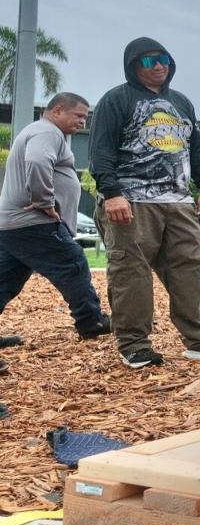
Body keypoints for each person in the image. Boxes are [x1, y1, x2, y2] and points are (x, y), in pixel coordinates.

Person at [89, 37, 200, 369]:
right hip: (131, 201)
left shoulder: (181, 102)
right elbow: (100, 150)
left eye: (163, 59)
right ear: (133, 67)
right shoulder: (116, 100)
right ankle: (134, 344)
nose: (157, 65)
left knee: (191, 268)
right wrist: (112, 193)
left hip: (179, 201)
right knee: (131, 272)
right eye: (147, 61)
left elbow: (196, 149)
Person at [0, 92, 111, 354]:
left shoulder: (38, 131)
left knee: (4, 281)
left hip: (13, 225)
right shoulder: (48, 132)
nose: (83, 122)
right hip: (33, 222)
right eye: (79, 115)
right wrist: (44, 201)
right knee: (73, 264)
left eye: (86, 117)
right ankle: (90, 321)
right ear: (58, 110)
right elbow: (38, 161)